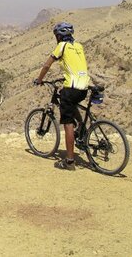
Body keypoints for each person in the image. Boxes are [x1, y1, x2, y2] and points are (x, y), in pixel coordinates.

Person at [34, 22, 90, 171]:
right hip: (84, 86)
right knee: (71, 103)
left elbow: (47, 65)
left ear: (59, 36)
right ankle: (81, 126)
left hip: (71, 87)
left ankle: (69, 161)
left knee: (67, 122)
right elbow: (75, 66)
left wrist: (39, 79)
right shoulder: (78, 46)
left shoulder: (61, 46)